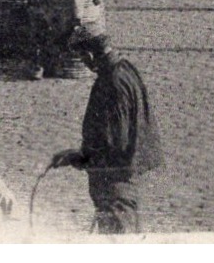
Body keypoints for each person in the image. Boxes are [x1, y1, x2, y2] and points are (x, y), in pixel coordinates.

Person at [49, 33, 163, 234]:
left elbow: (114, 142)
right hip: (123, 176)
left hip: (114, 181)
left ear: (91, 55)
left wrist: (81, 158)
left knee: (117, 237)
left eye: (83, 58)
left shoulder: (112, 83)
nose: (84, 64)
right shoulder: (125, 69)